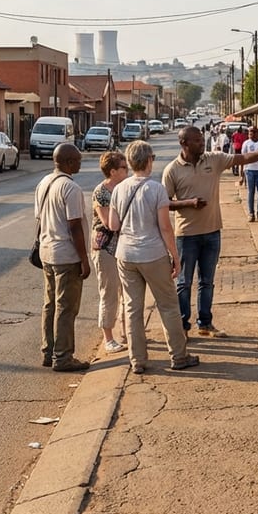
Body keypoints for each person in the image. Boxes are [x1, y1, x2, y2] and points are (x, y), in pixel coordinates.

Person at [163, 125, 258, 337]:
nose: (202, 142)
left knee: (207, 281)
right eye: (197, 140)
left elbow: (243, 158)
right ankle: (182, 326)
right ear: (184, 144)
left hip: (212, 232)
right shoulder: (172, 170)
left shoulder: (213, 159)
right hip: (186, 235)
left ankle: (205, 323)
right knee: (184, 282)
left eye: (202, 139)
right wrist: (189, 203)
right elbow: (164, 203)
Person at [109, 140, 198, 373]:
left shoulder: (119, 188)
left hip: (126, 256)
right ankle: (179, 356)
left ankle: (137, 360)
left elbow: (113, 224)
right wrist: (175, 257)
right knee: (168, 306)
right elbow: (165, 228)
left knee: (132, 308)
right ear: (148, 160)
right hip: (153, 254)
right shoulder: (156, 189)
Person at [35, 143, 92, 372]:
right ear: (68, 162)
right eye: (77, 160)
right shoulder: (71, 188)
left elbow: (38, 219)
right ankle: (63, 357)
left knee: (50, 304)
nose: (80, 163)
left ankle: (48, 352)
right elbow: (75, 226)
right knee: (66, 307)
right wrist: (84, 259)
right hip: (66, 255)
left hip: (47, 252)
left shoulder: (43, 183)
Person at [91, 151, 129, 354]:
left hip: (124, 247)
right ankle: (109, 338)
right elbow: (108, 223)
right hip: (106, 247)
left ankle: (126, 332)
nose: (127, 170)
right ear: (113, 171)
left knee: (127, 292)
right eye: (124, 167)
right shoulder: (101, 192)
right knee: (109, 293)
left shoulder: (125, 188)